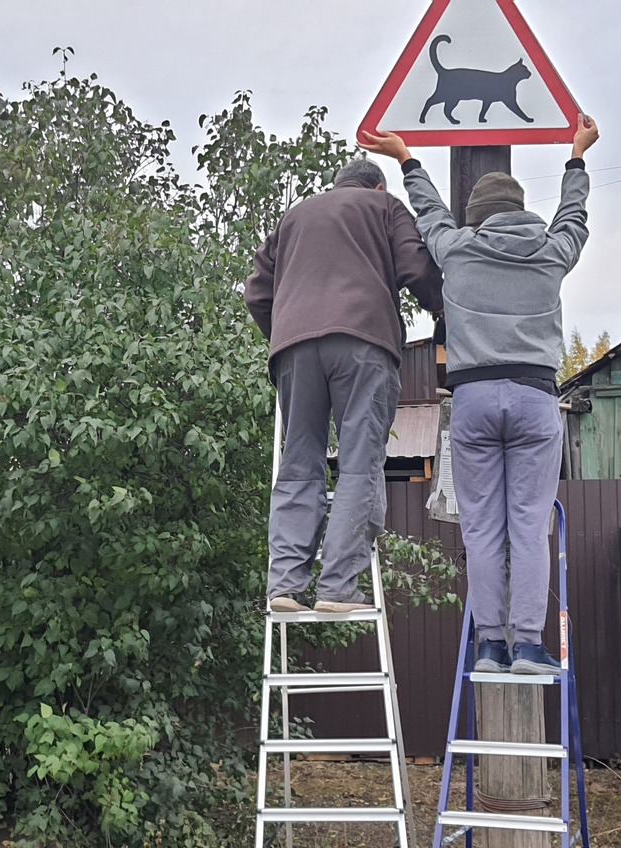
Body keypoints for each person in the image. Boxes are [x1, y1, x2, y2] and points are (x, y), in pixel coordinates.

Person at [358, 114, 599, 674]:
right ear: (518, 212)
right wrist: (576, 157)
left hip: (471, 401)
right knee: (528, 524)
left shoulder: (458, 250)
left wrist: (407, 158)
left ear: (477, 218)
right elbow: (574, 218)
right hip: (536, 399)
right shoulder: (550, 252)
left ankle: (490, 645)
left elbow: (430, 212)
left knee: (483, 528)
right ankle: (529, 648)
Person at [246, 159, 445, 614]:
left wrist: (286, 333)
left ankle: (285, 586)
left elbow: (256, 293)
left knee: (298, 463)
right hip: (363, 343)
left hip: (294, 349)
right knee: (358, 464)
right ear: (377, 185)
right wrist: (440, 308)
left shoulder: (294, 215)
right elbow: (416, 267)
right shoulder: (384, 205)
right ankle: (336, 588)